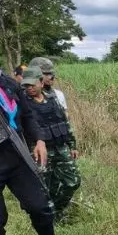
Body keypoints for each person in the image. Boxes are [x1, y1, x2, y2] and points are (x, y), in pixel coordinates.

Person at [0, 40, 67, 235]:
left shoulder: (9, 84)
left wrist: (39, 140)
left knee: (40, 207)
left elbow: (28, 116)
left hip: (16, 155)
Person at [21, 66, 81, 222]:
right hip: (39, 152)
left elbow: (64, 122)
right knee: (45, 188)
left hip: (60, 147)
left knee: (73, 182)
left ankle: (57, 209)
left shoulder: (53, 99)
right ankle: (49, 218)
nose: (29, 88)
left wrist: (72, 145)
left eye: (32, 84)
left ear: (41, 82)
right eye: (26, 85)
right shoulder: (23, 104)